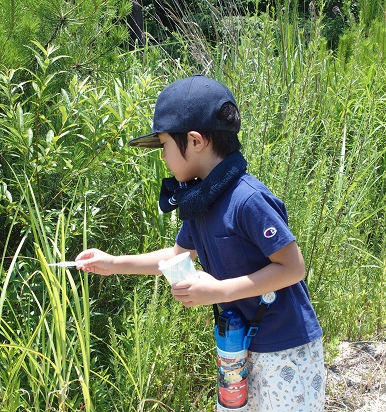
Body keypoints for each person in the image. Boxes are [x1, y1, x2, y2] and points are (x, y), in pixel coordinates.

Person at [75, 74, 325, 411]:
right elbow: (177, 256)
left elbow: (293, 267)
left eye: (164, 145)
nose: (163, 156)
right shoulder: (200, 202)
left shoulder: (247, 199)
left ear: (194, 140)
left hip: (286, 345)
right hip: (236, 348)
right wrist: (112, 263)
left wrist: (220, 292)